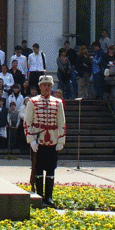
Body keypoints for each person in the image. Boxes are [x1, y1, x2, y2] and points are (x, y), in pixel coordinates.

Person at [24, 73, 66, 207]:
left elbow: (62, 123)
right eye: (44, 85)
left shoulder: (58, 102)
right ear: (40, 87)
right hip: (38, 139)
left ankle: (49, 197)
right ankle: (39, 197)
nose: (46, 87)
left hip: (52, 140)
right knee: (38, 169)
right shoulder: (33, 101)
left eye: (48, 85)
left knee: (51, 169)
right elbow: (27, 122)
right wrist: (31, 140)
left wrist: (61, 140)